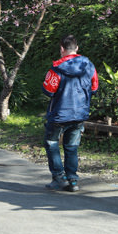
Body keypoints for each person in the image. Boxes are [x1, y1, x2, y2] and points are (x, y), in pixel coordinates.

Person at [42, 34, 98, 192]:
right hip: (80, 114)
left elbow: (48, 90)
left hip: (59, 115)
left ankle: (59, 177)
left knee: (52, 143)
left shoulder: (56, 69)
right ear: (77, 48)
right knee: (72, 146)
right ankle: (73, 180)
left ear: (61, 49)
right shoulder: (89, 66)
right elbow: (94, 88)